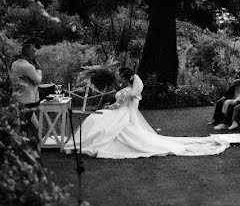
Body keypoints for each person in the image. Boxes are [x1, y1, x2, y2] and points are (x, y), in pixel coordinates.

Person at [65, 68, 228, 158]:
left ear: (125, 78)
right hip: (122, 111)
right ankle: (83, 142)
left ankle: (86, 143)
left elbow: (118, 106)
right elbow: (118, 103)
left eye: (120, 76)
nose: (118, 78)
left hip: (121, 114)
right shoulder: (128, 90)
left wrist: (108, 108)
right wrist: (111, 104)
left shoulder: (128, 92)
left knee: (96, 120)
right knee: (96, 120)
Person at [10, 43, 42, 130]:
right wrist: (38, 69)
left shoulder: (15, 64)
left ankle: (39, 139)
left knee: (32, 124)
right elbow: (37, 81)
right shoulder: (28, 67)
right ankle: (37, 140)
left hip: (18, 97)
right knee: (30, 126)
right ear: (31, 54)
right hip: (28, 100)